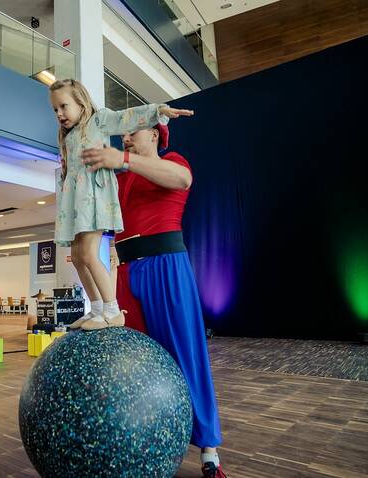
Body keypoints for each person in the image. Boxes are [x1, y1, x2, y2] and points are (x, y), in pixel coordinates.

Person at [81, 123, 226, 478]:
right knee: (132, 362)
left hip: (167, 267)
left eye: (134, 131)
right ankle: (142, 438)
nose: (126, 137)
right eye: (123, 134)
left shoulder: (173, 161)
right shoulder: (120, 178)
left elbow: (182, 180)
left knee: (186, 355)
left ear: (155, 135)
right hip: (126, 271)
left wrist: (123, 159)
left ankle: (209, 449)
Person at [48, 78, 193, 331]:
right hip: (78, 202)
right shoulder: (69, 137)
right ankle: (96, 308)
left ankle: (112, 310)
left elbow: (125, 117)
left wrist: (157, 110)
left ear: (81, 103)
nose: (59, 113)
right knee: (78, 256)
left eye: (64, 106)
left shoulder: (98, 120)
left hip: (94, 200)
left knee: (89, 253)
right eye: (55, 109)